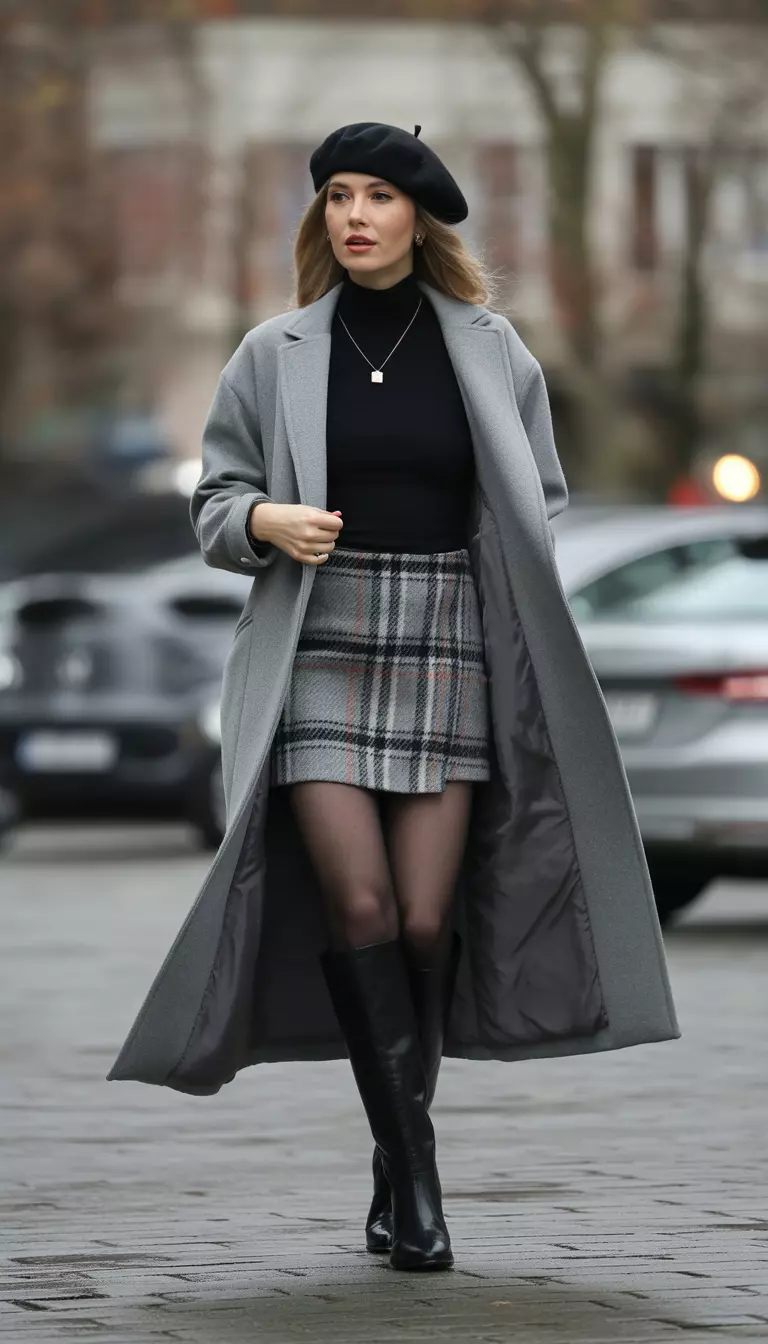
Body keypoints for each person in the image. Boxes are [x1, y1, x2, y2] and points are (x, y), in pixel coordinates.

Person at [108, 123, 679, 1275]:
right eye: (334, 198)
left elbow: (542, 495)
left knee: (426, 921)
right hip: (319, 640)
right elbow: (217, 499)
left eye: (377, 196)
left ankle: (392, 1148)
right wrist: (266, 521)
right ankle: (416, 1176)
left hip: (448, 641)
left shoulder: (490, 347)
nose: (354, 216)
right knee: (358, 905)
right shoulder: (273, 351)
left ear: (421, 217)